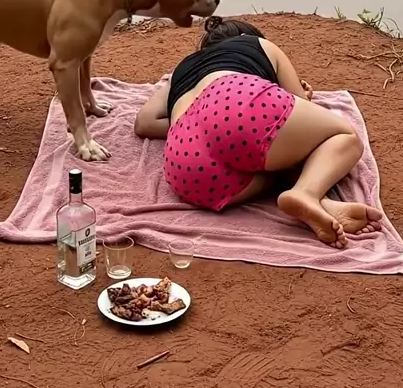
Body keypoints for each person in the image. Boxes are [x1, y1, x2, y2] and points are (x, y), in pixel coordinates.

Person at [134, 17, 382, 248]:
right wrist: (304, 99)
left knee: (273, 158)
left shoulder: (182, 70)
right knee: (341, 137)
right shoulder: (256, 44)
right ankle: (307, 192)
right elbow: (295, 100)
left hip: (186, 166)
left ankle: (322, 204)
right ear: (247, 36)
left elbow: (144, 123)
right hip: (235, 102)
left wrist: (202, 127)